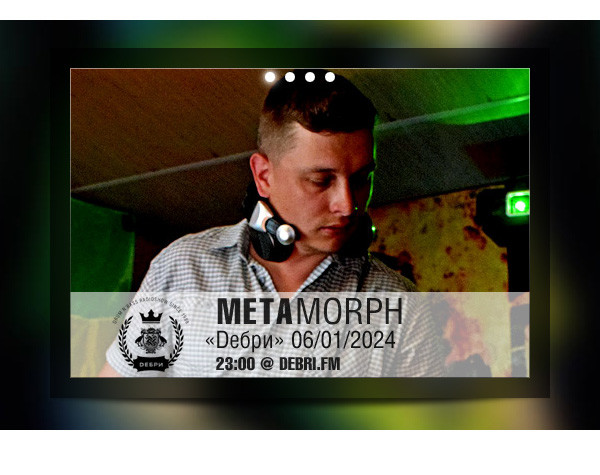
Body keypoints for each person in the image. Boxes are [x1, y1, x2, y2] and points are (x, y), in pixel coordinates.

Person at [99, 69, 444, 377]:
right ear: (263, 176)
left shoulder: (401, 306)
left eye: (360, 179)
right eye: (321, 181)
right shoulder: (183, 267)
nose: (347, 204)